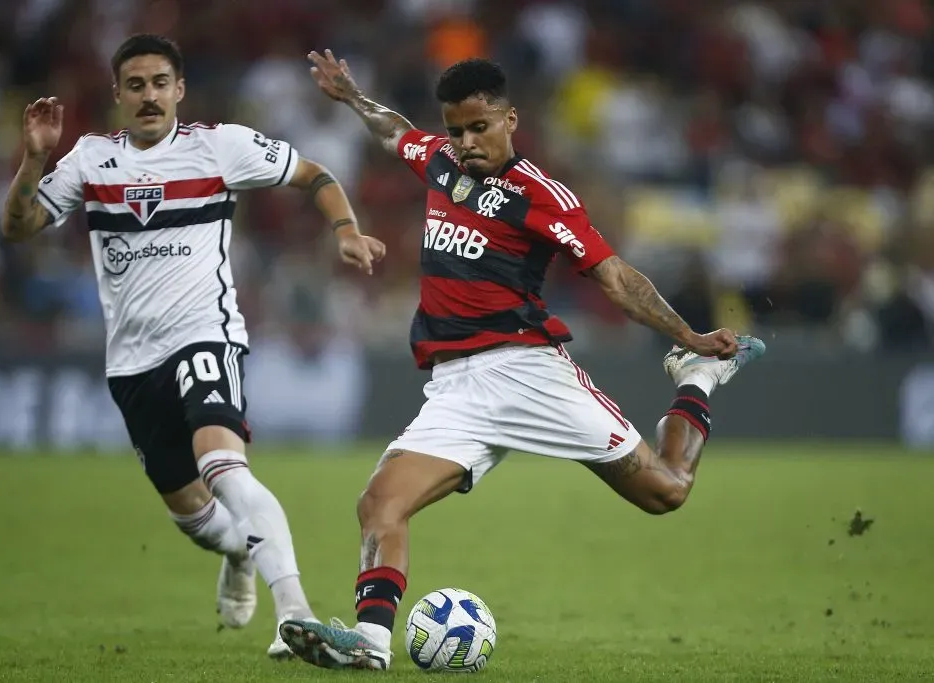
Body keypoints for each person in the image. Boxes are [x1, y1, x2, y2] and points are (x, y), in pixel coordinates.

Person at [277, 51, 766, 671]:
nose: (466, 142)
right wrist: (352, 97)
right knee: (378, 505)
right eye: (455, 129)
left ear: (511, 119)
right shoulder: (439, 163)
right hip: (455, 389)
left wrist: (691, 338)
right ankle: (371, 642)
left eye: (479, 127)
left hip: (527, 371)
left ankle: (697, 381)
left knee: (665, 491)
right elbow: (396, 130)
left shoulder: (541, 196)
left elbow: (615, 279)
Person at [0, 34, 386, 658]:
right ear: (118, 95)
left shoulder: (219, 145)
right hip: (131, 364)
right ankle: (237, 553)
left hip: (205, 334)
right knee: (196, 518)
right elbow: (18, 228)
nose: (149, 96)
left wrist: (346, 231)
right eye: (136, 85)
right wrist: (33, 160)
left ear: (179, 88)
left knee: (223, 466)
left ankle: (297, 615)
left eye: (160, 83)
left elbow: (316, 175)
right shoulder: (89, 160)